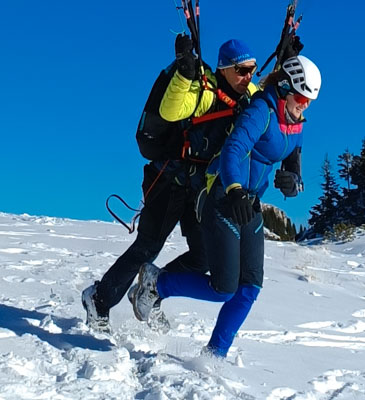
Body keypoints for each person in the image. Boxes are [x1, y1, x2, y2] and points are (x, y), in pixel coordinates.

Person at [131, 55, 322, 358]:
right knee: (224, 288)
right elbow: (235, 149)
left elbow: (292, 147)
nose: (305, 105)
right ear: (284, 87)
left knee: (250, 288)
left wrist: (292, 175)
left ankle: (214, 357)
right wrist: (234, 190)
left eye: (311, 100)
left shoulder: (294, 119)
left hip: (250, 200)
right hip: (224, 195)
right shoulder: (262, 110)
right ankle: (157, 284)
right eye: (301, 97)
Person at [81, 36, 260, 333]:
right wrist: (184, 72)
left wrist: (285, 62)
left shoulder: (249, 93)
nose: (248, 76)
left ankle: (151, 290)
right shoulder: (202, 88)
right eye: (241, 70)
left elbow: (269, 100)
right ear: (225, 69)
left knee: (203, 255)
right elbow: (171, 111)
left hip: (201, 188)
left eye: (251, 69)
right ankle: (99, 299)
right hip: (169, 179)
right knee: (148, 246)